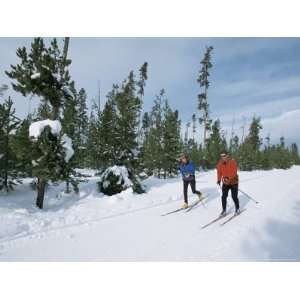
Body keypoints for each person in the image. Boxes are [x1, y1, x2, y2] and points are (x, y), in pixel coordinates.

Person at [216, 151, 240, 216]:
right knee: (223, 196)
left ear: (227, 155)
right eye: (221, 156)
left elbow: (234, 172)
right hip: (225, 183)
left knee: (234, 196)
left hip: (234, 182)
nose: (223, 157)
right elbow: (219, 172)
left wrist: (228, 178)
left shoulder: (232, 162)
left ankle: (237, 208)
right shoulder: (220, 164)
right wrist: (218, 180)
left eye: (224, 155)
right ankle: (224, 210)